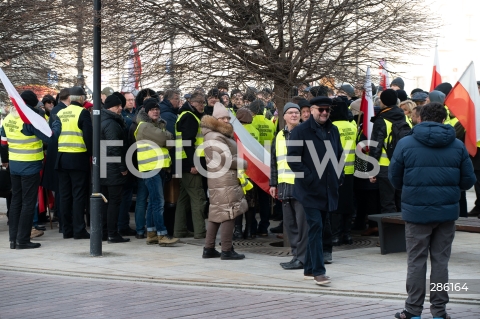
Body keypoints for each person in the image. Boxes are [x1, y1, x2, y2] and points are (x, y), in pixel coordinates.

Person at [389, 103, 475, 319]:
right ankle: (439, 311)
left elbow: (394, 178)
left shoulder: (406, 143)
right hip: (446, 213)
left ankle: (413, 311)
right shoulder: (457, 145)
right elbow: (468, 181)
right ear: (444, 120)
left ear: (420, 118)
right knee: (440, 261)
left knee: (416, 261)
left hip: (416, 212)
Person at [287, 96, 344, 286]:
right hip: (309, 190)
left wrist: (339, 176)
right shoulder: (300, 131)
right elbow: (293, 160)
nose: (325, 113)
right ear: (312, 110)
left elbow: (339, 154)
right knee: (316, 227)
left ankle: (310, 269)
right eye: (321, 109)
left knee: (318, 228)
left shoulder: (333, 129)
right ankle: (319, 271)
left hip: (327, 189)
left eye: (328, 110)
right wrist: (310, 178)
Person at [1, 90, 61, 249]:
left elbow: (3, 144)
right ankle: (23, 240)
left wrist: (6, 161)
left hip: (14, 166)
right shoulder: (29, 120)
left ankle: (13, 239)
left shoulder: (8, 119)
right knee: (28, 203)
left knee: (16, 202)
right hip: (30, 166)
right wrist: (56, 124)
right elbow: (50, 138)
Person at [201, 102, 248, 260]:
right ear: (216, 119)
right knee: (230, 212)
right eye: (223, 118)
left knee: (216, 213)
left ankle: (209, 248)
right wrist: (243, 163)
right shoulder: (216, 136)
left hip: (218, 179)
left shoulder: (214, 134)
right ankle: (227, 249)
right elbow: (225, 159)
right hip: (224, 179)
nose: (227, 121)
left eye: (228, 118)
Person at [134, 98, 179, 246]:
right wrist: (167, 136)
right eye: (152, 109)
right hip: (151, 168)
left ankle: (151, 233)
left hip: (158, 167)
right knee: (158, 202)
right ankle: (162, 234)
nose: (156, 111)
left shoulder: (156, 125)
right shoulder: (145, 126)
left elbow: (169, 143)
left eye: (157, 109)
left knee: (154, 202)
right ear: (146, 112)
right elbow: (165, 138)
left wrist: (167, 138)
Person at [270, 102, 307, 270]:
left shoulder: (306, 133)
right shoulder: (279, 135)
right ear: (283, 116)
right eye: (290, 112)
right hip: (285, 186)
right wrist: (273, 183)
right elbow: (274, 161)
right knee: (290, 224)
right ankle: (295, 255)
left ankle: (303, 257)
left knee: (302, 224)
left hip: (301, 185)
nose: (294, 115)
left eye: (296, 112)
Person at [56, 86, 92, 240]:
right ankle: (79, 230)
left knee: (64, 196)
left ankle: (66, 230)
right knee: (78, 196)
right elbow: (88, 138)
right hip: (77, 159)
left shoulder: (60, 113)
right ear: (81, 99)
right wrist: (92, 155)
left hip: (61, 158)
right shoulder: (83, 113)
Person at [174, 92, 207, 239]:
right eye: (199, 102)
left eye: (203, 102)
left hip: (183, 163)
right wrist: (193, 164)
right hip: (191, 164)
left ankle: (179, 230)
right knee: (198, 197)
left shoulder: (184, 115)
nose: (202, 105)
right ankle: (200, 231)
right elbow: (188, 143)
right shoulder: (190, 117)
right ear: (191, 102)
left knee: (183, 198)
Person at [369, 89, 408, 214]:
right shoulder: (405, 119)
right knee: (401, 201)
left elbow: (376, 146)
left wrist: (372, 169)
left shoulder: (381, 120)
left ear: (383, 102)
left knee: (387, 203)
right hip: (403, 165)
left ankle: (391, 232)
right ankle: (404, 231)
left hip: (385, 166)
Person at [100, 95, 130, 243]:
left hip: (104, 166)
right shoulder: (111, 123)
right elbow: (114, 147)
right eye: (117, 106)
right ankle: (112, 233)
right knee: (114, 201)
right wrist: (123, 167)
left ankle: (105, 232)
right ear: (110, 107)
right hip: (112, 168)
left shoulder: (102, 120)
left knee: (106, 202)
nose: (120, 108)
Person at [41, 88, 70, 233]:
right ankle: (61, 218)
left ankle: (59, 216)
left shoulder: (54, 111)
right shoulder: (62, 111)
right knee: (62, 189)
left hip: (53, 152)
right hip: (60, 152)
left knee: (59, 189)